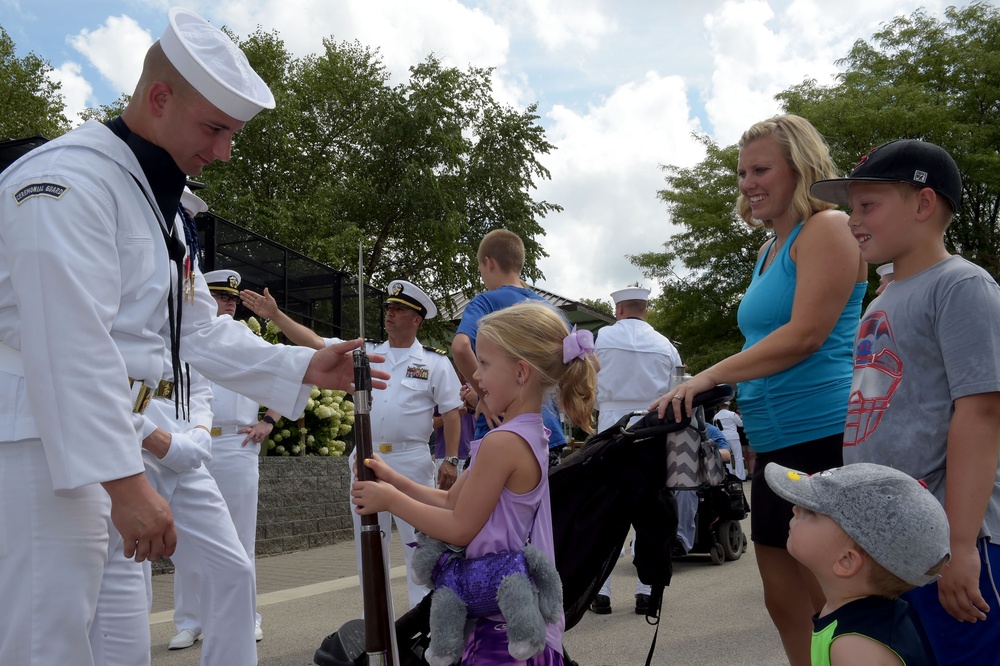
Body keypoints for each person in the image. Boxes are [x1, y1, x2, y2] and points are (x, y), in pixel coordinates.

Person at [0, 9, 385, 665]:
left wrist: (300, 368)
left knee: (120, 643)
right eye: (215, 128)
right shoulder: (68, 181)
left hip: (115, 440)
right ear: (158, 98)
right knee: (47, 641)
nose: (224, 151)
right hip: (47, 446)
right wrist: (125, 484)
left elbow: (196, 331)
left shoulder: (162, 209)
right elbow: (69, 346)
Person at [652, 114, 867, 666]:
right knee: (783, 600)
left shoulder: (829, 227)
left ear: (800, 168)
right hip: (771, 445)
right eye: (742, 172)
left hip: (823, 437)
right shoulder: (770, 249)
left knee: (837, 604)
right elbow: (766, 341)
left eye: (761, 169)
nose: (748, 182)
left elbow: (805, 335)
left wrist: (708, 375)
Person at [810, 138, 1000, 665]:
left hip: (954, 540)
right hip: (896, 541)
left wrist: (962, 547)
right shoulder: (884, 298)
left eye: (868, 205)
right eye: (851, 208)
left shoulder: (962, 286)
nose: (852, 220)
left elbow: (982, 414)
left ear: (923, 203)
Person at [352, 300, 598, 664]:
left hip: (503, 630)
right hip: (503, 616)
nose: (475, 377)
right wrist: (394, 480)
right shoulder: (527, 434)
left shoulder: (504, 443)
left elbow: (459, 528)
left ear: (520, 372)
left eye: (484, 364)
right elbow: (451, 502)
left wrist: (389, 500)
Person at [242, 279, 464, 609]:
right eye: (388, 308)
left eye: (398, 309)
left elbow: (452, 413)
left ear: (417, 320)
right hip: (367, 460)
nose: (389, 314)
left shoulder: (435, 363)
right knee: (369, 545)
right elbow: (316, 343)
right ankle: (378, 626)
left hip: (412, 461)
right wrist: (275, 316)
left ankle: (423, 624)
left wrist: (451, 459)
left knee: (420, 548)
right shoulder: (367, 352)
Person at [167, 269, 279, 651]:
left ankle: (247, 618)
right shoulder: (185, 338)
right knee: (185, 538)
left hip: (236, 442)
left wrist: (268, 420)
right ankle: (190, 620)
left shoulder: (246, 336)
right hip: (192, 444)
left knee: (239, 536)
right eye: (222, 296)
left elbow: (283, 372)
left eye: (233, 298)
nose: (229, 303)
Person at [765, 462, 949, 666]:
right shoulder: (853, 617)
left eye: (811, 512)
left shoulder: (855, 647)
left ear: (846, 561)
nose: (795, 509)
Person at [591, 285, 681, 615]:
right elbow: (677, 391)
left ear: (618, 310)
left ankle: (601, 592)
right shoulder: (666, 345)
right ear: (646, 309)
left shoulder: (600, 339)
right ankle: (647, 592)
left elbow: (585, 383)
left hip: (611, 428)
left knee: (608, 512)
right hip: (653, 428)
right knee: (650, 514)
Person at [451, 229, 569, 467]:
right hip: (547, 434)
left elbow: (461, 346)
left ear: (488, 262)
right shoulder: (549, 310)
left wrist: (485, 395)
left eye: (481, 270)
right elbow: (585, 361)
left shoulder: (485, 301)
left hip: (498, 431)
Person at [713, 399, 747, 479]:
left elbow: (715, 427)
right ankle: (740, 476)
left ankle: (729, 475)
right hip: (733, 436)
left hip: (723, 436)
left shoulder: (716, 416)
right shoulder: (732, 414)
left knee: (727, 457)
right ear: (728, 406)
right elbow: (740, 424)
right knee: (738, 457)